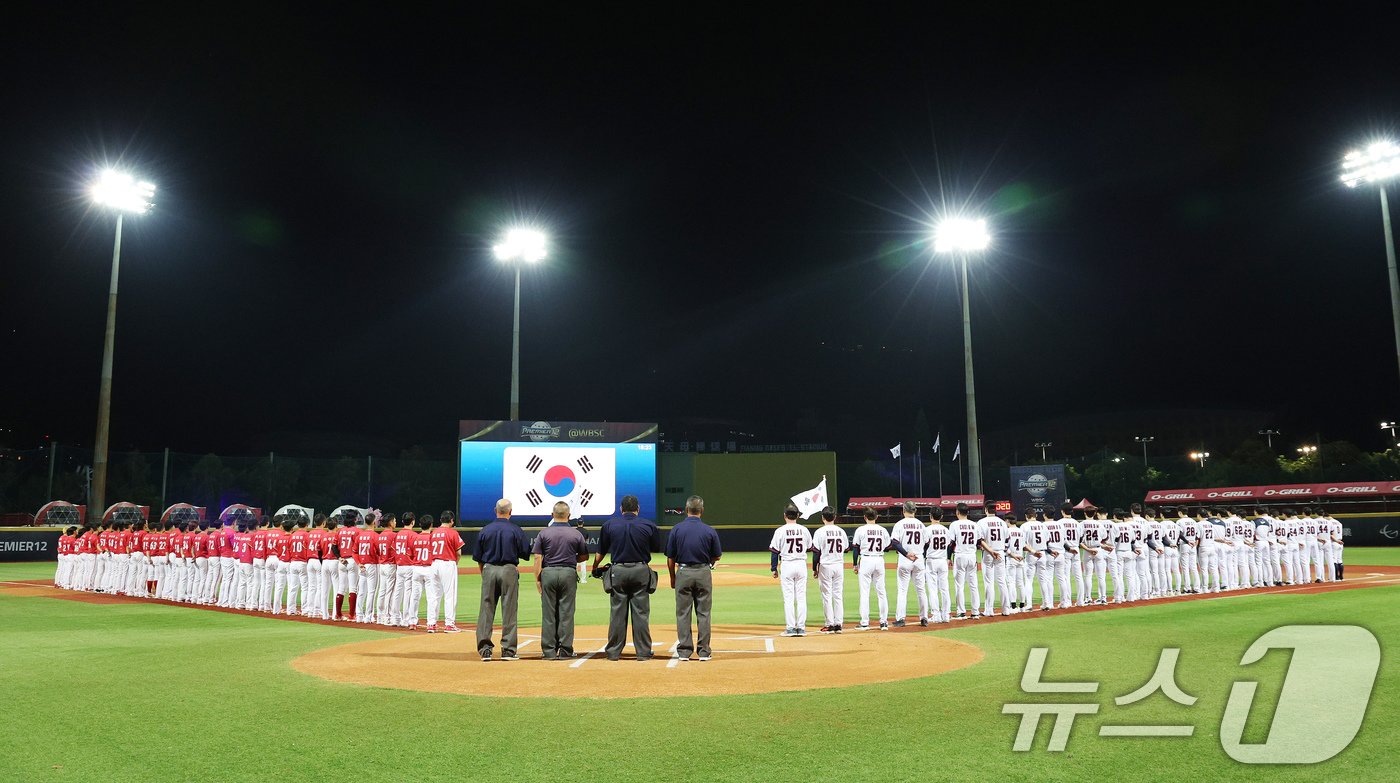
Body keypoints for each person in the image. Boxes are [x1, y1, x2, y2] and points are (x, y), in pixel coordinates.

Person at [591, 494, 659, 660]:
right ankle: (643, 652)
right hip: (640, 570)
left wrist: (594, 568)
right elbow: (656, 548)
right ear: (638, 509)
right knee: (641, 614)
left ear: (621, 509)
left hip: (618, 571)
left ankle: (614, 652)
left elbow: (601, 552)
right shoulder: (648, 525)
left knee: (617, 614)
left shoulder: (609, 525)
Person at [666, 495, 722, 661]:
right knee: (704, 613)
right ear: (702, 511)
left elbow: (670, 558)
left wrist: (672, 578)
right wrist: (708, 564)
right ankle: (704, 651)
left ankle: (684, 651)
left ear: (686, 510)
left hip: (683, 572)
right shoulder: (709, 530)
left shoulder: (676, 529)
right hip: (703, 572)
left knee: (683, 613)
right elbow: (717, 556)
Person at [473, 499, 531, 661]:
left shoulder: (486, 530)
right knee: (509, 610)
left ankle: (485, 650)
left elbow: (478, 557)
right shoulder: (515, 530)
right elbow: (526, 552)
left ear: (495, 510)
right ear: (510, 511)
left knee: (486, 609)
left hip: (489, 569)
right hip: (508, 570)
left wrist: (484, 573)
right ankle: (508, 650)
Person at [533, 501, 589, 659]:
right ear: (569, 516)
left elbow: (538, 557)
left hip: (548, 573)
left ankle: (549, 651)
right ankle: (565, 650)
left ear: (552, 515)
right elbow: (584, 556)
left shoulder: (544, 533)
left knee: (548, 613)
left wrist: (538, 580)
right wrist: (571, 558)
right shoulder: (576, 534)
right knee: (566, 613)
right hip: (568, 573)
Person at [770, 503, 814, 636]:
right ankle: (801, 628)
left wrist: (773, 568)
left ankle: (790, 628)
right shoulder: (804, 530)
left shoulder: (780, 530)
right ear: (798, 516)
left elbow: (774, 551)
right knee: (801, 597)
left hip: (787, 564)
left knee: (788, 598)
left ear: (784, 516)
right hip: (801, 563)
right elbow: (809, 546)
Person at [890, 501, 928, 627]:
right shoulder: (921, 525)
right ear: (915, 511)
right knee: (921, 590)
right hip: (919, 558)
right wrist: (920, 554)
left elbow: (894, 543)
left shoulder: (900, 524)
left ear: (903, 510)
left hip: (905, 560)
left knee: (902, 590)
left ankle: (901, 619)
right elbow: (927, 543)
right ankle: (924, 618)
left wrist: (906, 553)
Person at [810, 506, 849, 633]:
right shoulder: (841, 531)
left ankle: (830, 624)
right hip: (838, 565)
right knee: (838, 595)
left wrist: (814, 568)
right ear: (835, 517)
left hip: (826, 565)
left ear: (822, 517)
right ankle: (839, 624)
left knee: (826, 596)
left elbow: (816, 553)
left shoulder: (819, 532)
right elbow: (846, 548)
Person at [429, 511, 464, 633]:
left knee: (434, 595)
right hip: (447, 563)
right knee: (450, 595)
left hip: (434, 564)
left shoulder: (434, 532)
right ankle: (449, 624)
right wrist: (455, 563)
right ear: (451, 521)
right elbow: (458, 553)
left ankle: (431, 624)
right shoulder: (453, 533)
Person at [950, 503, 983, 618]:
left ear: (957, 512)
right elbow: (979, 542)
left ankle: (961, 611)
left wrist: (948, 557)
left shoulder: (954, 524)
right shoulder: (975, 525)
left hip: (960, 555)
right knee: (973, 585)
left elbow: (951, 543)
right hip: (972, 556)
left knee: (959, 585)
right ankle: (975, 612)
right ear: (967, 512)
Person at [979, 502, 1009, 617]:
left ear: (986, 509)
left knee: (989, 582)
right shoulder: (1002, 522)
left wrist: (991, 551)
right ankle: (1006, 609)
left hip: (988, 553)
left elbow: (980, 540)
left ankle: (989, 610)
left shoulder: (982, 522)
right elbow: (1007, 539)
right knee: (1002, 581)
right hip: (1000, 552)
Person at [923, 508, 952, 623]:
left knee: (932, 589)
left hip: (931, 560)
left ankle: (936, 615)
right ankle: (946, 615)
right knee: (944, 588)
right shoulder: (946, 530)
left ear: (930, 516)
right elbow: (949, 544)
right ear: (941, 517)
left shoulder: (927, 530)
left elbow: (924, 545)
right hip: (943, 560)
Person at [394, 513, 420, 628]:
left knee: (398, 592)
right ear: (413, 522)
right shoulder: (414, 535)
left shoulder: (398, 534)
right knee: (408, 593)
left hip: (399, 565)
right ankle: (406, 619)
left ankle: (395, 618)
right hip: (409, 565)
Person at [354, 514, 380, 624]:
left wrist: (358, 563)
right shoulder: (375, 536)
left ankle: (359, 615)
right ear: (374, 522)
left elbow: (354, 551)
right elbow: (378, 551)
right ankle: (368, 617)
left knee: (361, 592)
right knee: (371, 592)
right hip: (371, 565)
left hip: (361, 565)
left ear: (365, 522)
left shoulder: (360, 536)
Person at [374, 513, 398, 626]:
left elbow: (377, 552)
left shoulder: (380, 535)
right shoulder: (393, 535)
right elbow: (396, 552)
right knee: (389, 592)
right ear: (390, 523)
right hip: (390, 565)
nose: (395, 523)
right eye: (394, 521)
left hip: (382, 565)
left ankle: (379, 616)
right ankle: (387, 617)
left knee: (382, 591)